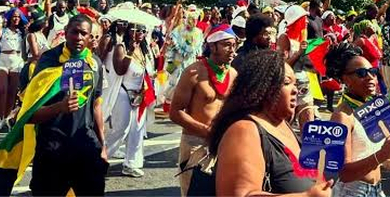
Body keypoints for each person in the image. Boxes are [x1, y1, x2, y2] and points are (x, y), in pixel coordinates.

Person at [209, 49, 333, 197]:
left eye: (296, 84)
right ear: (263, 87)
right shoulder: (244, 131)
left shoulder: (281, 124)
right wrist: (307, 196)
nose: (296, 90)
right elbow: (239, 194)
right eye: (287, 83)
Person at [324, 42, 390, 196]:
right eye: (361, 73)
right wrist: (383, 153)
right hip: (353, 192)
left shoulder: (372, 108)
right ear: (345, 79)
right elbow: (344, 173)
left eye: (372, 71)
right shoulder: (342, 117)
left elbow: (371, 154)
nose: (370, 77)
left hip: (376, 189)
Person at [28, 14, 108, 195]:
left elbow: (96, 105)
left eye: (84, 34)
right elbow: (28, 115)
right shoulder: (49, 61)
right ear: (65, 32)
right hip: (53, 149)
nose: (78, 38)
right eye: (74, 32)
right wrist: (59, 107)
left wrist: (102, 145)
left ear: (90, 38)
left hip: (86, 148)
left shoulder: (94, 63)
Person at [171, 25, 238, 196]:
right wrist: (207, 131)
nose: (232, 50)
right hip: (195, 143)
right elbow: (175, 112)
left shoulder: (234, 74)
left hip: (224, 143)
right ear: (213, 46)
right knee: (194, 192)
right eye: (227, 45)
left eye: (234, 45)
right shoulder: (193, 72)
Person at [105, 23, 157, 178]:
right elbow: (119, 69)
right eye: (136, 30)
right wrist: (130, 52)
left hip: (140, 94)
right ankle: (99, 159)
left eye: (143, 30)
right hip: (123, 93)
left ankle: (131, 164)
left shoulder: (145, 48)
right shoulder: (120, 47)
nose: (140, 33)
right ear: (129, 31)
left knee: (137, 131)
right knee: (121, 129)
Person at [277, 4, 316, 127]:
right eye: (303, 19)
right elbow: (281, 65)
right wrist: (299, 53)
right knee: (287, 122)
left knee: (309, 120)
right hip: (288, 85)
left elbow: (307, 64)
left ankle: (306, 146)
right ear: (295, 20)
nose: (306, 22)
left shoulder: (303, 38)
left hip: (304, 84)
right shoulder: (284, 38)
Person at [0, 9, 26, 132]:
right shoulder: (3, 30)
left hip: (17, 60)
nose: (16, 19)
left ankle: (6, 118)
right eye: (14, 16)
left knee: (12, 92)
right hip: (3, 60)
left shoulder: (22, 32)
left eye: (18, 17)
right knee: (1, 90)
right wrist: (0, 22)